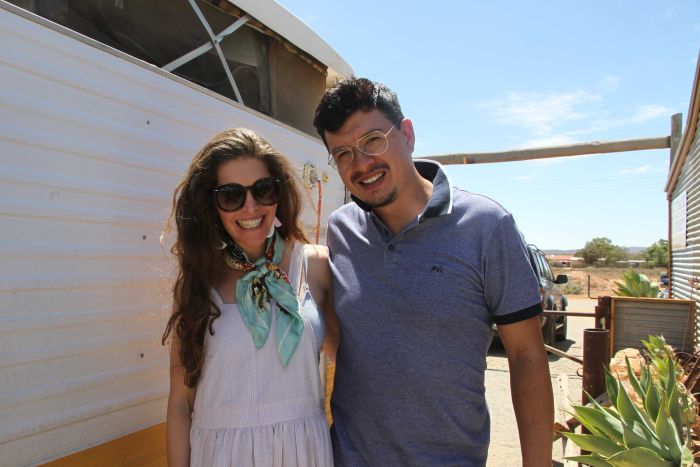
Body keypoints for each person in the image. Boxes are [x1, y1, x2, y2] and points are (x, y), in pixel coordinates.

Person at [313, 78, 553, 466]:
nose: (361, 164)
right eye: (342, 153)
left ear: (406, 135)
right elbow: (347, 338)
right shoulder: (341, 229)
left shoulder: (486, 226)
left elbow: (526, 355)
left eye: (373, 140)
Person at [162, 128, 337, 467]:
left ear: (278, 194)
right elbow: (181, 403)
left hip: (303, 453)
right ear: (212, 205)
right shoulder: (197, 284)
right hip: (221, 456)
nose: (251, 206)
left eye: (263, 189)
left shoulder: (314, 266)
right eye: (231, 196)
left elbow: (357, 364)